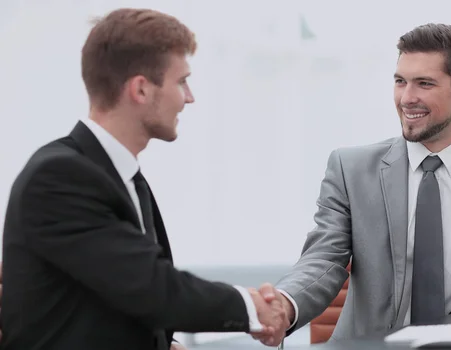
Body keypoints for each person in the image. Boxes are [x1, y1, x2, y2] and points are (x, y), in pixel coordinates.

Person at [0, 8, 287, 350]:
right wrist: (251, 308)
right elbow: (151, 287)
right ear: (140, 90)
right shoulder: (60, 177)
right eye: (181, 82)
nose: (189, 97)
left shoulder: (115, 173)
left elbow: (115, 290)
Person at [259, 23, 451, 344]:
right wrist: (286, 303)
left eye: (424, 84)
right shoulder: (351, 168)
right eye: (400, 82)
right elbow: (323, 260)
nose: (407, 98)